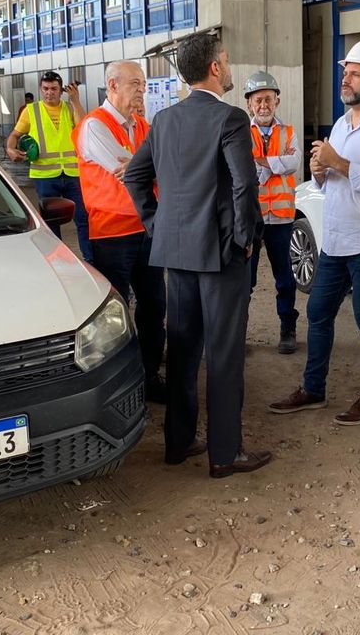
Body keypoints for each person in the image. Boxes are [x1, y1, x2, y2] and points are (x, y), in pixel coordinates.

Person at [124, 33, 271, 478]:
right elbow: (245, 184)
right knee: (224, 356)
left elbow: (134, 177)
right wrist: (244, 238)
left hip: (177, 252)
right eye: (225, 61)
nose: (228, 68)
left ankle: (180, 442)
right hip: (222, 255)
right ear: (213, 68)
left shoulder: (164, 120)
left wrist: (157, 225)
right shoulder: (230, 119)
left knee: (184, 348)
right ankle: (226, 454)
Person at [270, 40, 360, 425]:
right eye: (344, 73)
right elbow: (329, 183)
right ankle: (313, 389)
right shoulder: (340, 124)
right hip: (336, 240)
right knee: (318, 312)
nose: (345, 80)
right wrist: (320, 171)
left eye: (354, 74)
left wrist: (339, 162)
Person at [72, 60, 167, 405]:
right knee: (114, 314)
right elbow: (131, 173)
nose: (142, 90)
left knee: (155, 304)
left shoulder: (143, 125)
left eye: (142, 84)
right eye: (135, 84)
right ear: (112, 86)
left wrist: (148, 166)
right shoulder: (94, 126)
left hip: (147, 228)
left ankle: (150, 374)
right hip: (112, 234)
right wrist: (151, 167)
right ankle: (119, 385)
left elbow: (153, 166)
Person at [5, 70, 93, 263]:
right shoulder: (32, 110)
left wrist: (76, 100)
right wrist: (11, 149)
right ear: (40, 89)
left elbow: (84, 128)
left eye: (54, 88)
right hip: (45, 176)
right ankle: (58, 262)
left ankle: (90, 262)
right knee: (51, 225)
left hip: (72, 173)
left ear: (61, 90)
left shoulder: (70, 108)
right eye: (45, 88)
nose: (49, 92)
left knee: (84, 219)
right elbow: (14, 135)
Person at [245, 70, 300, 353]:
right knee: (245, 280)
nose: (263, 106)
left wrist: (262, 162)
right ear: (249, 105)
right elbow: (245, 168)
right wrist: (273, 165)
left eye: (268, 99)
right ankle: (239, 332)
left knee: (284, 278)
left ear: (277, 101)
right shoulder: (242, 132)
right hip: (251, 219)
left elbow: (294, 162)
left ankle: (287, 327)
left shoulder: (289, 131)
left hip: (281, 218)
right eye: (258, 101)